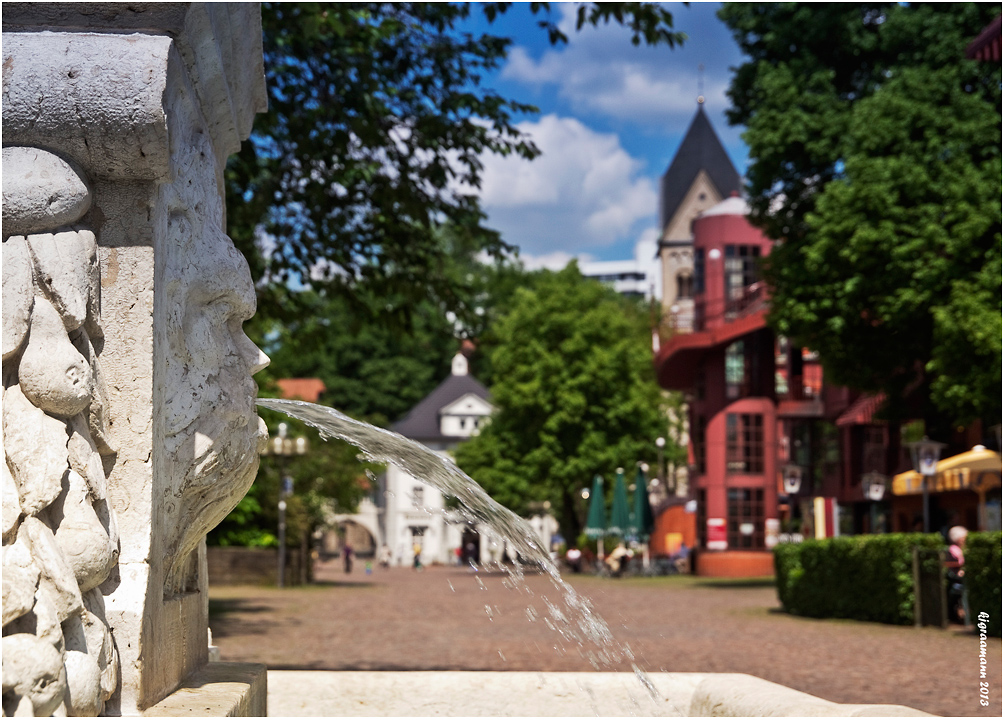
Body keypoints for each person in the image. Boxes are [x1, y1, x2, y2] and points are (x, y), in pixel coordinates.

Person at [946, 526, 969, 624]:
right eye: (963, 538)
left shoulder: (963, 549)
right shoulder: (952, 550)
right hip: (955, 579)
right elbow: (947, 563)